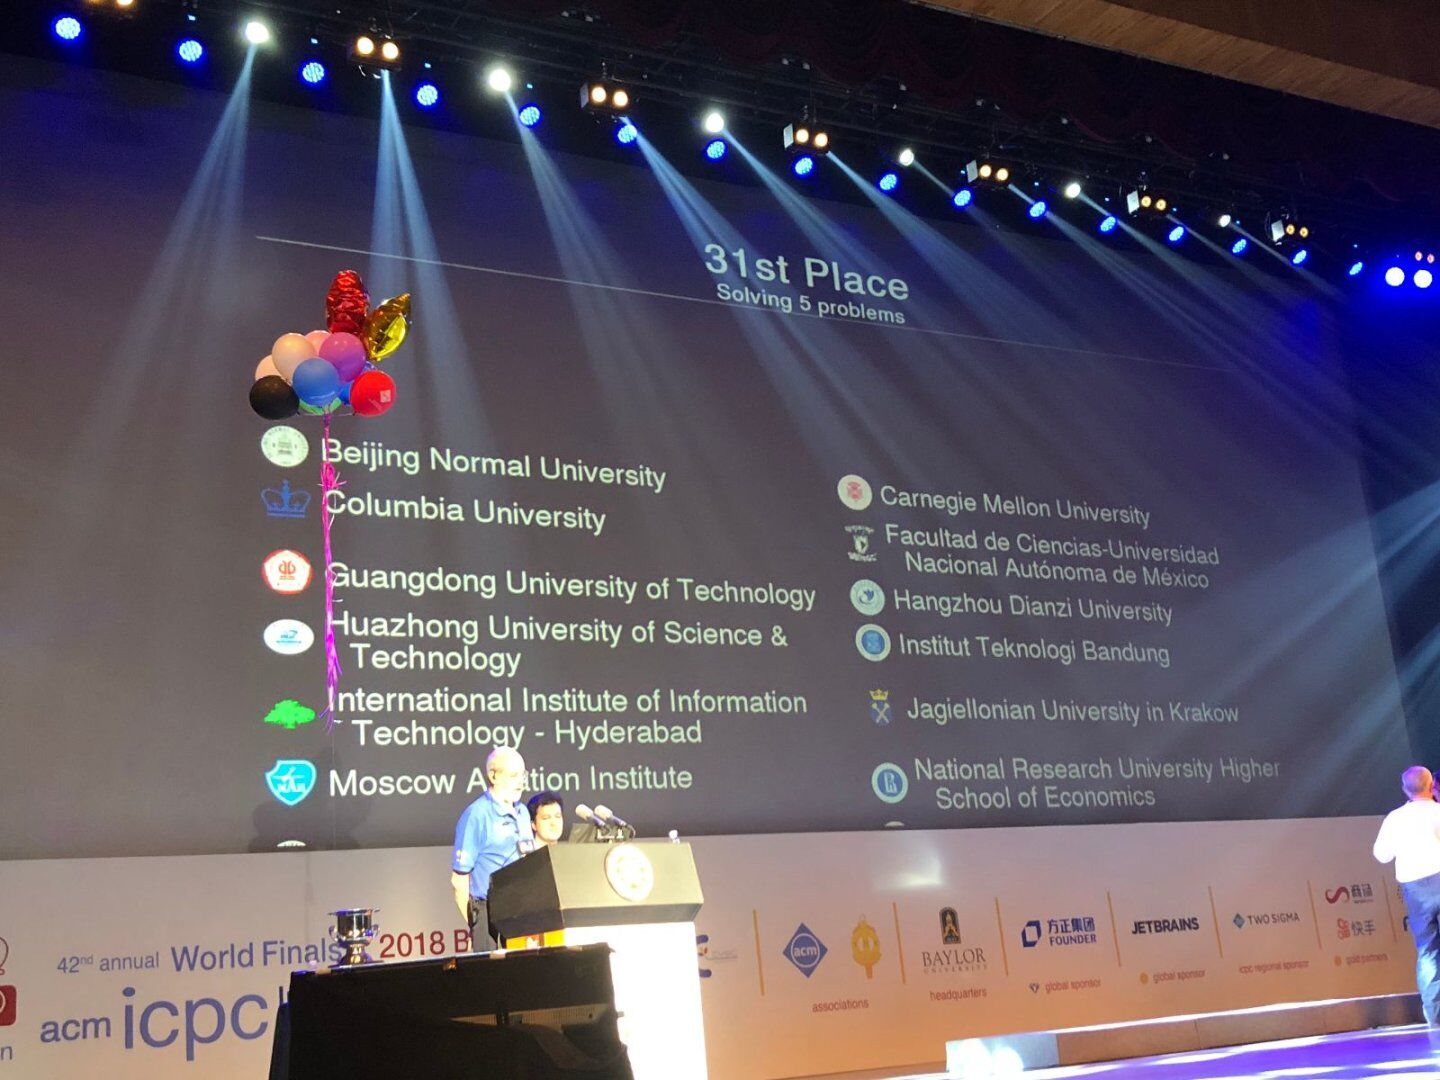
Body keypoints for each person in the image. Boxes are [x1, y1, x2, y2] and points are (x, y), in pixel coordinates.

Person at [1373, 765, 1440, 1024]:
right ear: (1431, 786)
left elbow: (1382, 855)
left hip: (1415, 888)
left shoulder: (1395, 819)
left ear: (1404, 789)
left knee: (1428, 950)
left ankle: (1434, 1015)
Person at [451, 746, 533, 951]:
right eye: (513, 775)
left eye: (523, 775)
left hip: (523, 911)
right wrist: (476, 926)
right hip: (487, 913)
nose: (520, 782)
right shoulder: (476, 814)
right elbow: (459, 882)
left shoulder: (523, 812)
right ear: (493, 776)